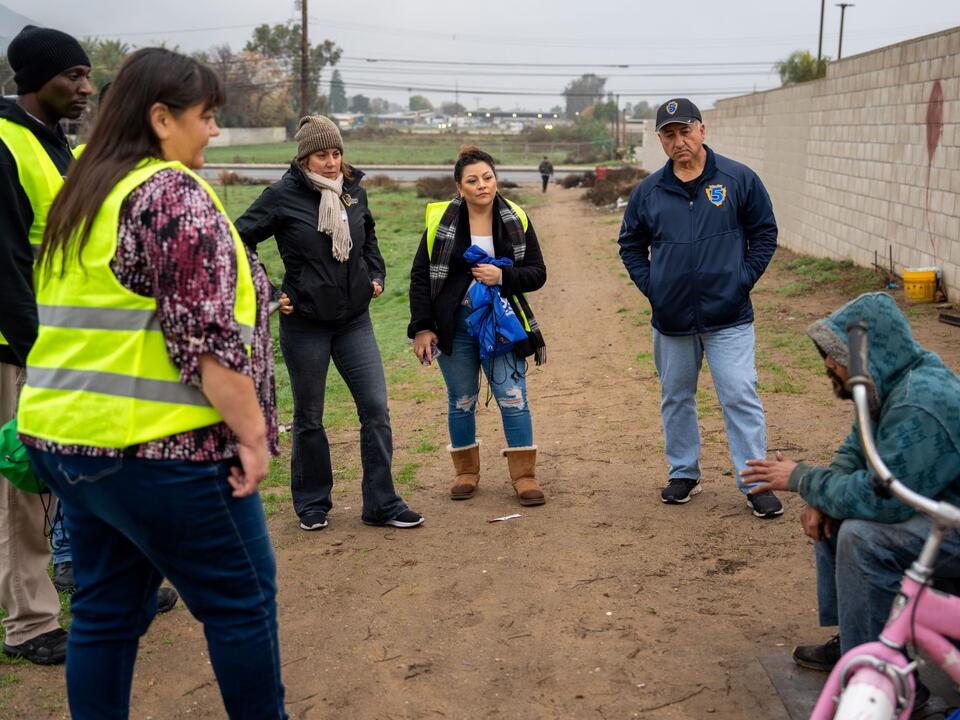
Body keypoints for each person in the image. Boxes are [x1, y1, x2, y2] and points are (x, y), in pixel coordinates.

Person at [17, 48, 286, 718]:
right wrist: (253, 435)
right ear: (162, 118)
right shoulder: (170, 195)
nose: (215, 131)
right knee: (241, 600)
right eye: (207, 115)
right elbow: (204, 343)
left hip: (71, 447)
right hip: (162, 452)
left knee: (106, 613)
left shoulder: (83, 190)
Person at [742, 292, 960, 670]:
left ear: (867, 354)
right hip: (942, 513)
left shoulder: (917, 403)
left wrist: (803, 479)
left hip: (952, 524)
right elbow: (856, 447)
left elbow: (883, 499)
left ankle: (877, 671)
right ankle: (856, 644)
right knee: (839, 516)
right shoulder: (894, 380)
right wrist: (820, 496)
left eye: (837, 353)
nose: (827, 362)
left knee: (863, 537)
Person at [235, 115, 422, 532]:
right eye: (322, 155)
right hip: (305, 323)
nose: (332, 162)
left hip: (354, 320)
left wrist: (375, 275)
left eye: (336, 153)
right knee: (310, 417)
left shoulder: (355, 192)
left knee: (375, 408)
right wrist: (265, 290)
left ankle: (381, 503)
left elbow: (367, 237)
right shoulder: (282, 196)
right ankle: (313, 503)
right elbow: (236, 238)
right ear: (305, 158)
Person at [618, 97, 781, 518]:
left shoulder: (738, 179)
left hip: (728, 316)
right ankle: (683, 473)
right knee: (676, 397)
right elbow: (630, 245)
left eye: (685, 131)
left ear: (702, 130)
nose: (679, 141)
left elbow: (764, 232)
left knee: (740, 394)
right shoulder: (649, 192)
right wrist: (653, 287)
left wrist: (740, 281)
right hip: (671, 319)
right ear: (660, 140)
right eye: (669, 135)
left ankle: (755, 481)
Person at [0, 24, 90, 666]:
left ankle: (89, 578)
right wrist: (40, 350)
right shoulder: (5, 145)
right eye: (74, 76)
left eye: (87, 75)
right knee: (21, 486)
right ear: (35, 79)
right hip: (19, 347)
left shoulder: (56, 147)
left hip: (65, 341)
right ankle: (29, 622)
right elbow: (6, 263)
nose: (86, 87)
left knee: (71, 472)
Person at [408, 145, 548, 505]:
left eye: (488, 178)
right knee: (461, 400)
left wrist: (502, 275)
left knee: (513, 397)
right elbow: (421, 278)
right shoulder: (441, 223)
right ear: (459, 187)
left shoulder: (516, 218)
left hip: (502, 326)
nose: (482, 185)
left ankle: (525, 477)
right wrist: (422, 327)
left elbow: (537, 273)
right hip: (454, 326)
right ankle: (466, 473)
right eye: (473, 180)